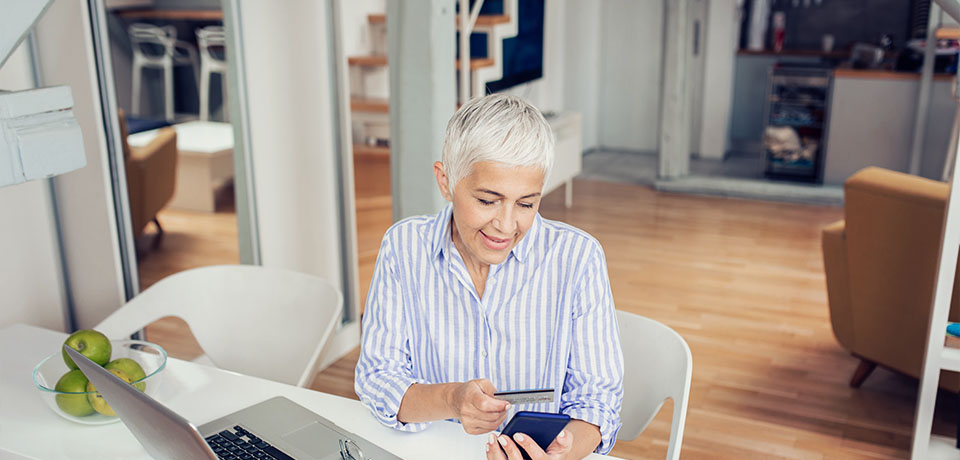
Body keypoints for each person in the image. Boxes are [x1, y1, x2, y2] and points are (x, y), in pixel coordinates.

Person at [355, 93, 623, 459]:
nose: (506, 224)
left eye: (526, 203)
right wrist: (451, 400)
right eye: (487, 200)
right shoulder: (403, 248)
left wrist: (563, 453)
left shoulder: (578, 258)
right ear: (445, 181)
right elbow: (377, 378)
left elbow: (598, 400)